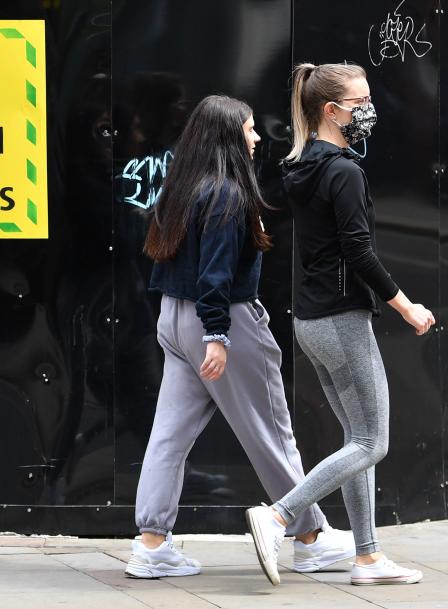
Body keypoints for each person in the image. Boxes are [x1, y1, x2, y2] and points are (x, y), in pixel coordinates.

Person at [125, 95, 355, 579]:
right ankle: (311, 537)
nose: (255, 139)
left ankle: (151, 545)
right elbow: (216, 275)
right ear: (227, 137)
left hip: (173, 318)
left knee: (168, 437)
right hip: (222, 323)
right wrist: (217, 336)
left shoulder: (180, 187)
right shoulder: (228, 193)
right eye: (248, 130)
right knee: (272, 432)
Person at [245, 62, 433, 586]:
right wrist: (407, 306)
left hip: (312, 320)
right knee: (373, 442)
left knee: (356, 439)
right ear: (331, 110)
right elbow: (359, 251)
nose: (369, 111)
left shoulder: (301, 164)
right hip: (342, 320)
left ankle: (368, 557)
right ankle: (279, 514)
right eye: (360, 103)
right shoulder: (344, 171)